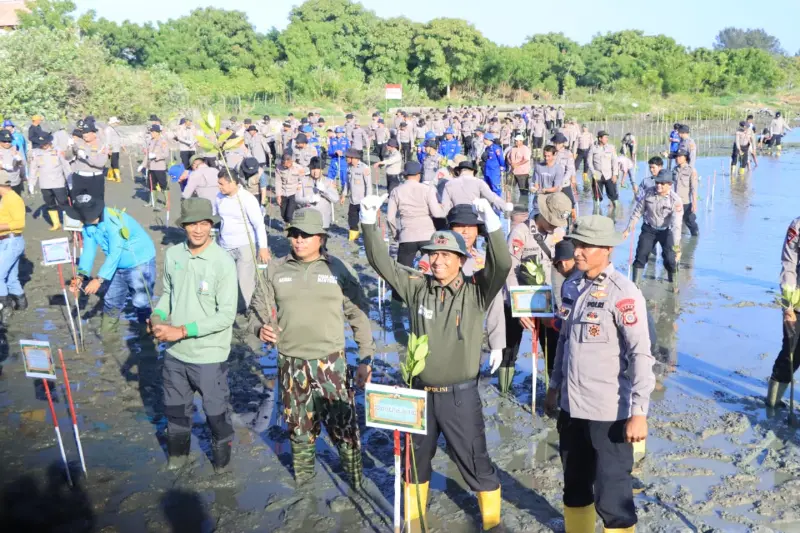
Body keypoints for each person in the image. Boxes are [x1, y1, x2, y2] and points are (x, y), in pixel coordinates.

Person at [361, 195, 511, 531]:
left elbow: (501, 264)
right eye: (433, 254)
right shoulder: (418, 288)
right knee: (414, 463)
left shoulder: (476, 291)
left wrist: (493, 224)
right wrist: (369, 221)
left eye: (445, 255)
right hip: (419, 395)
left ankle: (492, 523)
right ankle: (415, 521)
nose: (437, 260)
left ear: (461, 259)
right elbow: (381, 263)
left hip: (460, 397)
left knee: (476, 461)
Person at [248, 208, 375, 488]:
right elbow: (256, 309)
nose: (299, 240)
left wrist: (366, 358)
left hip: (331, 364)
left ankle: (356, 482)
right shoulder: (275, 270)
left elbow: (359, 314)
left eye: (306, 235)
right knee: (299, 428)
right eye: (294, 234)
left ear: (321, 238)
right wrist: (260, 328)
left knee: (344, 428)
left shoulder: (338, 269)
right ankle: (305, 483)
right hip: (291, 364)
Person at [545, 215, 655, 533]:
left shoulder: (623, 293)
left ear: (607, 249)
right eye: (577, 244)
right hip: (572, 408)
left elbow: (640, 355)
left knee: (613, 496)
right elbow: (564, 341)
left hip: (609, 413)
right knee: (575, 487)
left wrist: (639, 412)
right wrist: (554, 386)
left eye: (586, 246)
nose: (577, 251)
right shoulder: (571, 286)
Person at [150, 197, 238, 472]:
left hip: (209, 355)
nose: (198, 230)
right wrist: (158, 316)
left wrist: (181, 330)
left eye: (203, 224)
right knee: (175, 411)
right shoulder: (174, 255)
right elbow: (168, 294)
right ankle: (177, 458)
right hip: (175, 353)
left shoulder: (223, 262)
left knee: (216, 415)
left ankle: (221, 466)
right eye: (192, 224)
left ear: (211, 225)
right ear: (183, 226)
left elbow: (226, 316)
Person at [417, 204, 507, 379]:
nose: (465, 232)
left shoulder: (483, 262)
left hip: (471, 338)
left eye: (470, 226)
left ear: (477, 230)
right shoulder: (433, 260)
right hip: (436, 337)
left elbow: (494, 304)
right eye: (459, 226)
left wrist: (497, 344)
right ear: (450, 229)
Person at [502, 192, 572, 394]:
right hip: (517, 299)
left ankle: (553, 391)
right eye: (551, 221)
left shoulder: (558, 233)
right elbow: (509, 271)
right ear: (542, 213)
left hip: (546, 300)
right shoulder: (520, 233)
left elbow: (563, 267)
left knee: (552, 347)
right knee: (510, 347)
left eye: (557, 222)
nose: (554, 226)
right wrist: (518, 309)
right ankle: (504, 391)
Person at [66, 193, 156, 332]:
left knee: (141, 301)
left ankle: (147, 332)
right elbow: (88, 251)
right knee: (111, 299)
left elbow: (115, 253)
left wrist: (99, 279)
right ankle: (108, 332)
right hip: (115, 265)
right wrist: (80, 276)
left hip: (140, 261)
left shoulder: (114, 221)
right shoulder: (87, 226)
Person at [215, 171, 271, 312]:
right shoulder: (219, 197)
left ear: (233, 183)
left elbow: (259, 224)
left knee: (244, 281)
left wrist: (263, 248)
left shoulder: (246, 198)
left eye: (222, 184)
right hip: (225, 246)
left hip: (245, 246)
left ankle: (249, 311)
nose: (219, 186)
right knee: (225, 279)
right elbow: (216, 218)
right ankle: (226, 309)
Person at [623, 169, 683, 288]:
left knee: (670, 260)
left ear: (670, 184)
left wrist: (676, 248)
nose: (658, 185)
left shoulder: (675, 200)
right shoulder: (647, 193)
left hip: (666, 231)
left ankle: (673, 285)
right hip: (649, 229)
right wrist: (628, 230)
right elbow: (637, 212)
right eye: (657, 182)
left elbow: (676, 226)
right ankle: (635, 286)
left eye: (662, 183)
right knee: (641, 255)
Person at [387, 161, 445, 273]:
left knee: (403, 273)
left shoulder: (396, 191)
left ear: (405, 175)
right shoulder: (428, 189)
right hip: (427, 235)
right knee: (431, 271)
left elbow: (390, 218)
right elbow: (437, 214)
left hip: (407, 235)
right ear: (419, 175)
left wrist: (395, 234)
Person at [768, 216, 800, 408]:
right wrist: (788, 305)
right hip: (797, 303)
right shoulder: (797, 226)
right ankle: (773, 402)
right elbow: (789, 264)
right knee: (791, 351)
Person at [29, 133, 71, 231]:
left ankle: (70, 222)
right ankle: (56, 224)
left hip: (58, 182)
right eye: (41, 144)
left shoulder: (58, 150)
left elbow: (66, 166)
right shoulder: (36, 153)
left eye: (45, 143)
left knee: (63, 203)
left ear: (49, 141)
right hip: (44, 184)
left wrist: (70, 180)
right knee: (50, 204)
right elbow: (33, 169)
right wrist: (31, 183)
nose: (43, 145)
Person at [0, 175, 26, 322]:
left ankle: (5, 308)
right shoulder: (6, 198)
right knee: (11, 277)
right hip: (9, 241)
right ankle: (21, 305)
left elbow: (19, 223)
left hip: (11, 241)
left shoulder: (13, 199)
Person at [440, 159, 509, 214]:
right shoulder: (479, 182)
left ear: (458, 172)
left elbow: (445, 206)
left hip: (455, 216)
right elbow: (492, 198)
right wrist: (506, 207)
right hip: (474, 216)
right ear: (473, 171)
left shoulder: (449, 184)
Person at [295, 157, 338, 230]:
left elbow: (335, 199)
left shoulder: (329, 182)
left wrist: (324, 191)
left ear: (322, 169)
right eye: (313, 169)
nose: (315, 172)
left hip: (323, 220)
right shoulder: (303, 181)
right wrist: (309, 199)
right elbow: (297, 199)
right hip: (307, 219)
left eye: (318, 169)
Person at [71, 121, 109, 202]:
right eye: (83, 132)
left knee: (97, 202)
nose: (85, 134)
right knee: (78, 202)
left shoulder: (102, 145)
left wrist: (86, 157)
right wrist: (68, 147)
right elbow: (68, 157)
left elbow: (100, 163)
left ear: (94, 133)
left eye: (87, 132)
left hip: (95, 178)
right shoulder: (78, 142)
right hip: (79, 177)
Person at [341, 148, 372, 241]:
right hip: (353, 201)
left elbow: (368, 185)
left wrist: (368, 200)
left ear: (352, 157)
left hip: (363, 201)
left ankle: (368, 238)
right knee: (352, 221)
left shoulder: (364, 168)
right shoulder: (349, 167)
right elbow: (347, 183)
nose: (346, 158)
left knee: (366, 222)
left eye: (347, 157)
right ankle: (354, 238)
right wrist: (343, 195)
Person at [587, 131, 618, 210]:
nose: (607, 139)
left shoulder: (611, 148)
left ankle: (614, 213)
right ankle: (596, 212)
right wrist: (593, 172)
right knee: (597, 196)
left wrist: (614, 174)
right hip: (597, 175)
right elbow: (589, 162)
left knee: (613, 195)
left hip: (609, 175)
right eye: (605, 137)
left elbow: (614, 162)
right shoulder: (593, 148)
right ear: (600, 138)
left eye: (607, 137)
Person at [671, 149, 699, 237]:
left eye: (680, 156)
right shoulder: (674, 170)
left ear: (685, 158)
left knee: (689, 222)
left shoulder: (691, 171)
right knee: (674, 223)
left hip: (685, 201)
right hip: (675, 201)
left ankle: (695, 236)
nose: (677, 158)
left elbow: (694, 188)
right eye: (676, 156)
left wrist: (694, 203)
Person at [275, 153, 306, 224]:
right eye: (283, 165)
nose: (285, 166)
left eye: (286, 165)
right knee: (283, 214)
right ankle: (287, 223)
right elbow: (278, 182)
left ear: (291, 161)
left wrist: (299, 188)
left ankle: (291, 226)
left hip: (293, 193)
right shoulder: (279, 168)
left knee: (289, 215)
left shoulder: (299, 168)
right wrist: (278, 196)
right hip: (283, 192)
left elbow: (303, 180)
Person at [145, 125, 170, 210]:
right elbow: (147, 154)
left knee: (163, 185)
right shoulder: (150, 141)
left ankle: (167, 202)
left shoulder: (163, 141)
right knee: (152, 185)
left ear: (157, 132)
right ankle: (153, 202)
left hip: (159, 166)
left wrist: (156, 156)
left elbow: (166, 154)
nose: (151, 133)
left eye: (153, 132)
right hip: (151, 166)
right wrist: (144, 165)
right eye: (151, 132)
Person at [0, 130, 25, 195]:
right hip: (2, 184)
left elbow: (22, 166)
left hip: (15, 182)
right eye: (4, 141)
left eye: (9, 141)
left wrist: (23, 176)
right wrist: (3, 166)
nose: (7, 143)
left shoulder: (15, 150)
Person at [508, 135, 532, 199]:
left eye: (517, 141)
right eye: (515, 140)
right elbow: (508, 157)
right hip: (512, 172)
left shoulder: (525, 149)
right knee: (508, 187)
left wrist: (517, 164)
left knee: (523, 191)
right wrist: (511, 163)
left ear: (521, 141)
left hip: (522, 173)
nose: (515, 142)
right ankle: (510, 202)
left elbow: (526, 159)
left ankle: (524, 203)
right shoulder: (513, 148)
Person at [105, 117, 123, 183]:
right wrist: (109, 149)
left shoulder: (114, 129)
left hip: (116, 148)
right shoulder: (108, 130)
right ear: (112, 123)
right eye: (116, 122)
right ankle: (117, 177)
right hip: (112, 149)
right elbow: (108, 140)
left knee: (113, 162)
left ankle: (110, 176)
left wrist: (122, 145)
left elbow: (117, 139)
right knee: (115, 163)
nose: (117, 124)